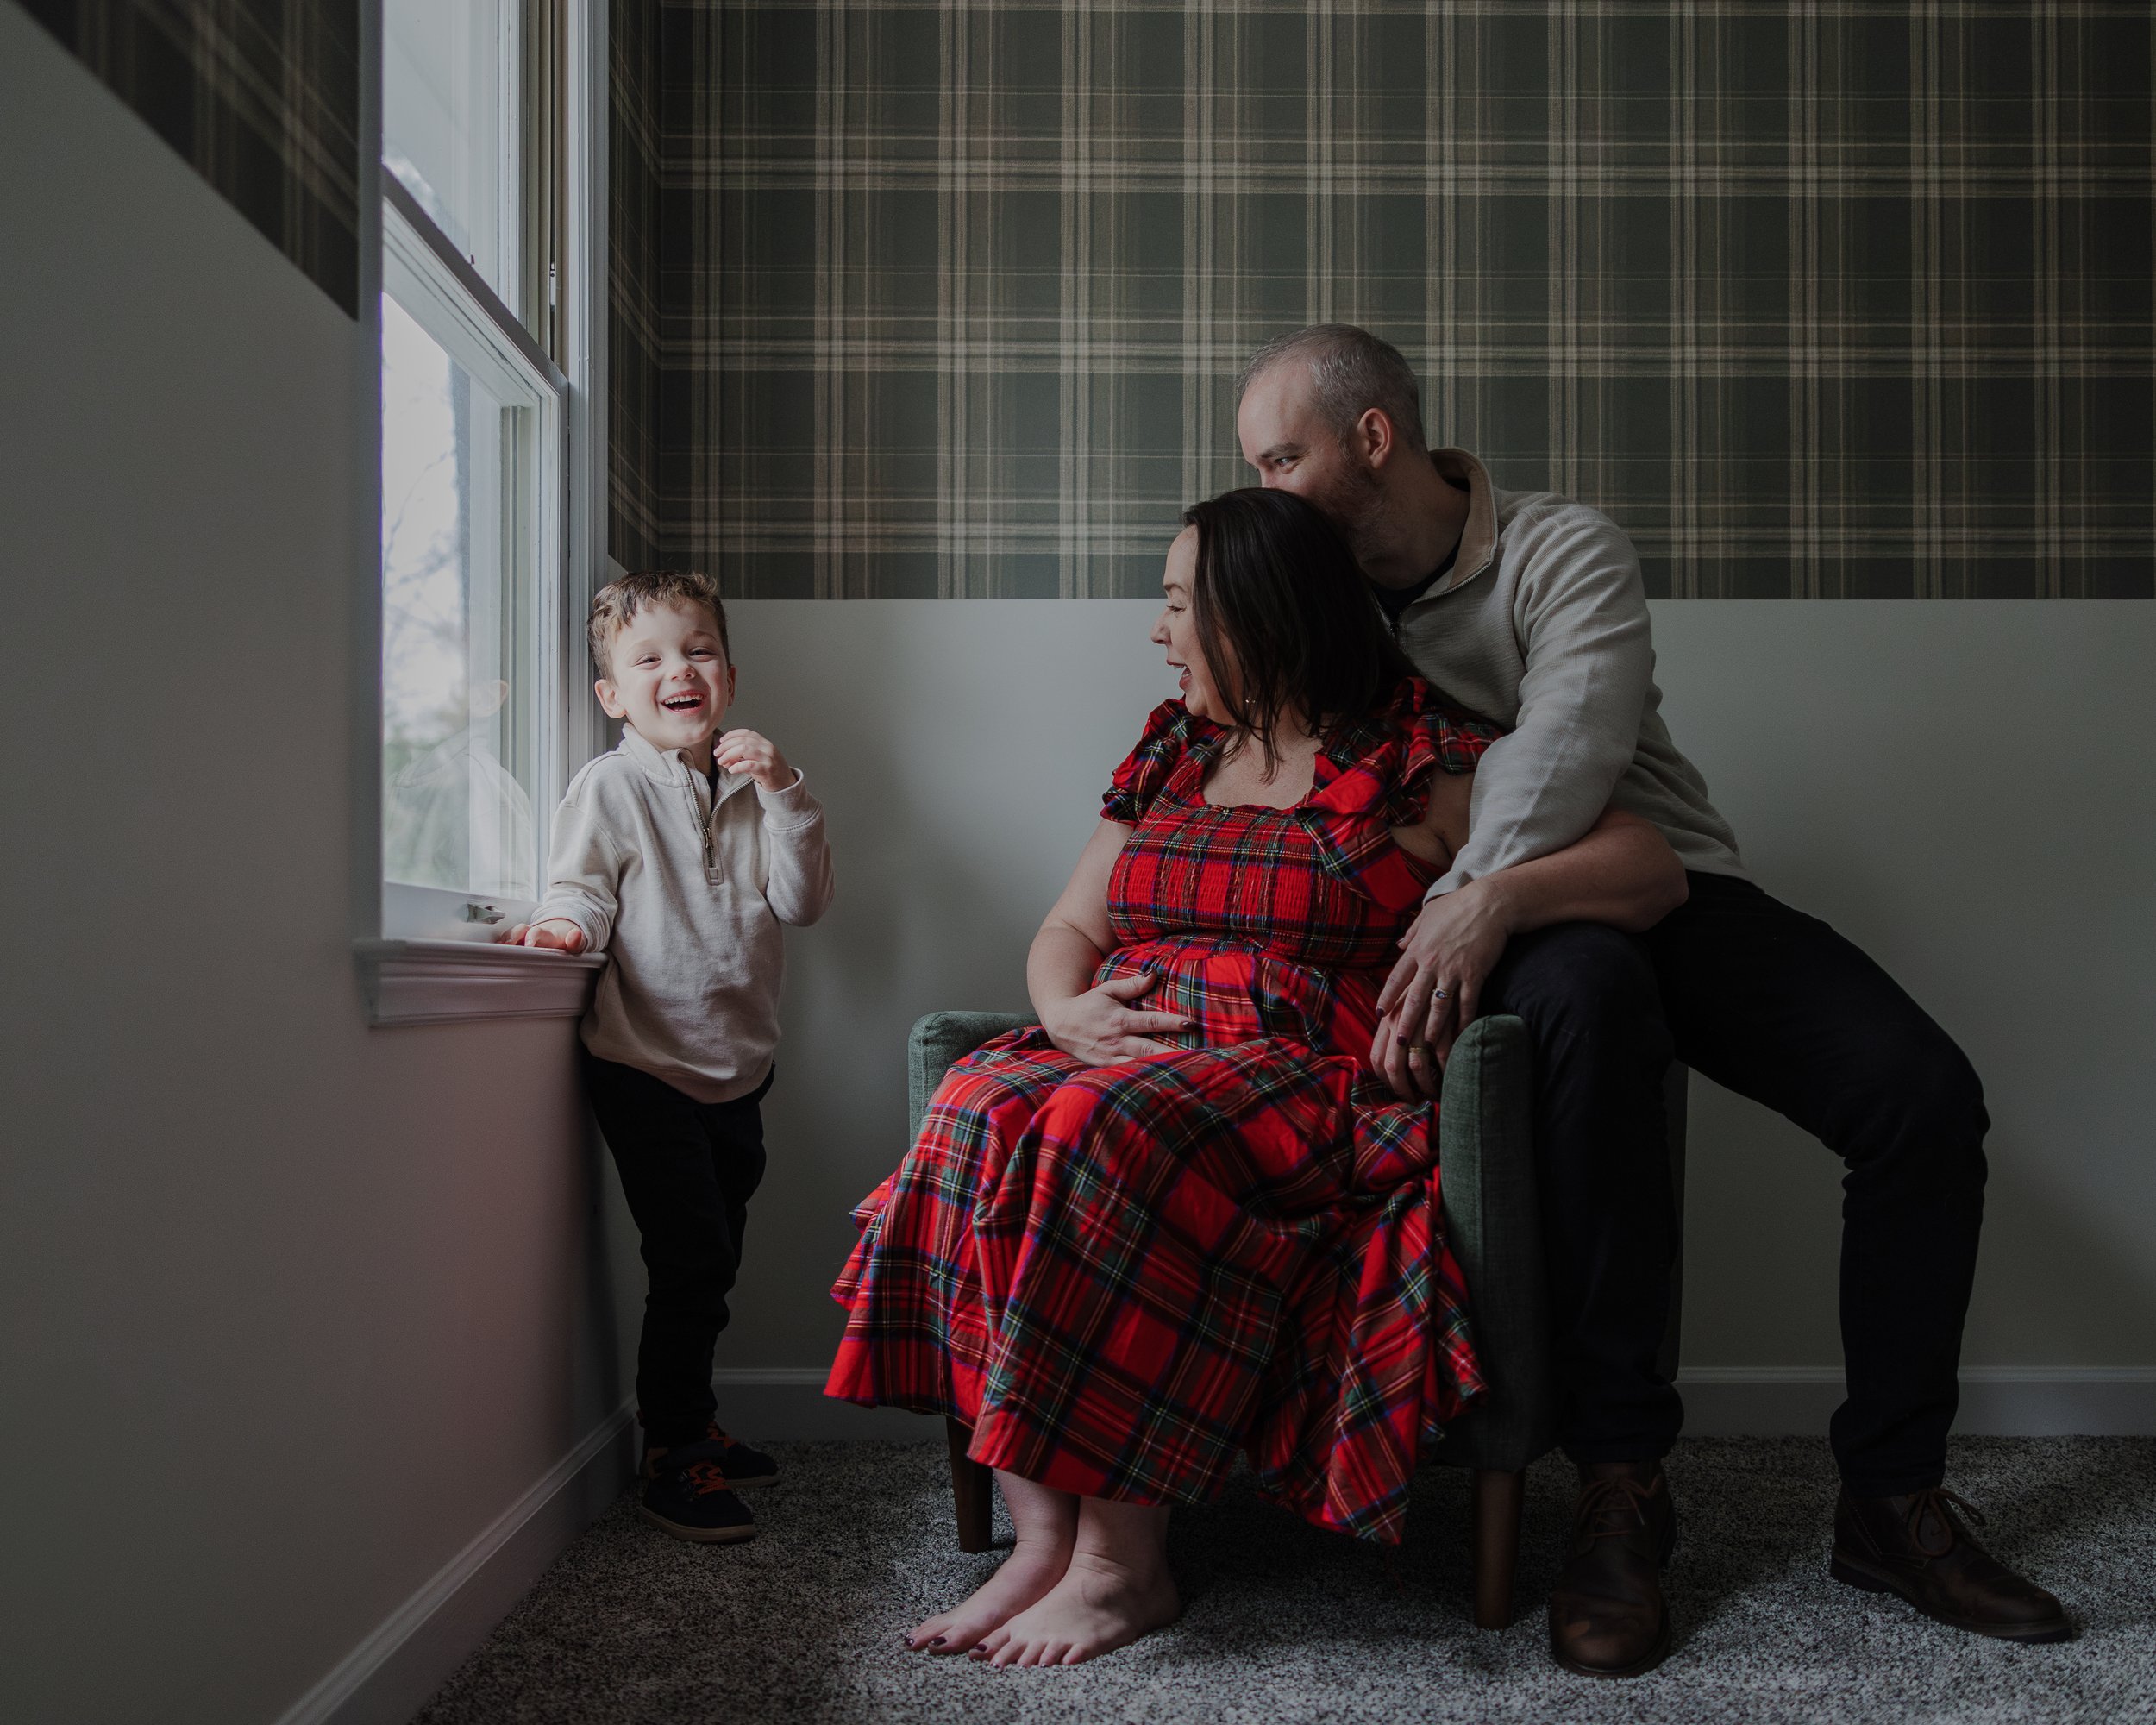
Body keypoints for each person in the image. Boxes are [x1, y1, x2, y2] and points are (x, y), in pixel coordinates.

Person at [1233, 324, 2074, 1674]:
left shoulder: (1563, 548)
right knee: (1590, 1006)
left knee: (1922, 1097)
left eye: (1284, 457)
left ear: (1371, 438)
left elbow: (1564, 747)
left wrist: (1485, 897)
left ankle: (1894, 1498)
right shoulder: (1312, 591)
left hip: (1659, 877)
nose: (1269, 489)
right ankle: (1622, 1488)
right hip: (1502, 938)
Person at [826, 488, 1687, 1666]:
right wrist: (1064, 1010)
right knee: (977, 1103)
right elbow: (1067, 929)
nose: (1159, 629)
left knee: (1094, 1126)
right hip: (1122, 1048)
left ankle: (1125, 1567)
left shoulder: (1413, 759)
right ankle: (1039, 1541)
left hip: (1295, 1078)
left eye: (1179, 602)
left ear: (1259, 615)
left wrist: (1492, 903)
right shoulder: (1177, 753)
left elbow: (1649, 864)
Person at [502, 569, 835, 1544]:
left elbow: (802, 901)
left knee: (716, 1255)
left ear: (727, 675)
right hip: (643, 1058)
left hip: (741, 1062)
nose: (675, 670)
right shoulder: (610, 784)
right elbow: (584, 885)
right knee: (690, 1255)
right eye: (646, 658)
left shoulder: (750, 783)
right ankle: (673, 1447)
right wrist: (562, 930)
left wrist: (785, 789)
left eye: (695, 651)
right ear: (613, 695)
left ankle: (696, 1417)